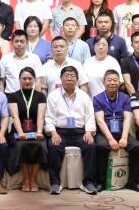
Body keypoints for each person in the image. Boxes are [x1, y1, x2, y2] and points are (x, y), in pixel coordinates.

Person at [43, 65, 97, 195]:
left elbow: (90, 116)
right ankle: (55, 183)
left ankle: (88, 182)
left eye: (72, 76)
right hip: (60, 132)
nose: (69, 78)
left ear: (77, 79)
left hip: (80, 132)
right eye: (66, 76)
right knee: (53, 146)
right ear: (61, 78)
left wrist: (89, 132)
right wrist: (53, 133)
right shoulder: (53, 96)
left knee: (90, 145)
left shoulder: (84, 96)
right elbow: (49, 117)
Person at [93, 69, 139, 193]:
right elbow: (100, 120)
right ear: (104, 82)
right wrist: (110, 139)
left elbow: (127, 119)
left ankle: (133, 182)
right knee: (101, 147)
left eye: (115, 80)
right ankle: (101, 182)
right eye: (109, 80)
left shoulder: (125, 98)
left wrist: (124, 138)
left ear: (119, 83)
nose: (112, 83)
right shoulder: (97, 98)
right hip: (105, 133)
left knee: (136, 147)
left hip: (122, 132)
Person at [6, 67, 47, 192]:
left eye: (30, 78)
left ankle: (33, 179)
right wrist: (20, 133)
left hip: (36, 129)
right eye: (24, 79)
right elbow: (15, 116)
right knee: (21, 145)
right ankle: (26, 179)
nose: (27, 81)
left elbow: (40, 116)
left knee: (40, 145)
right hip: (18, 131)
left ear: (34, 80)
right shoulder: (13, 96)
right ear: (19, 80)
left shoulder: (40, 96)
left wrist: (39, 132)